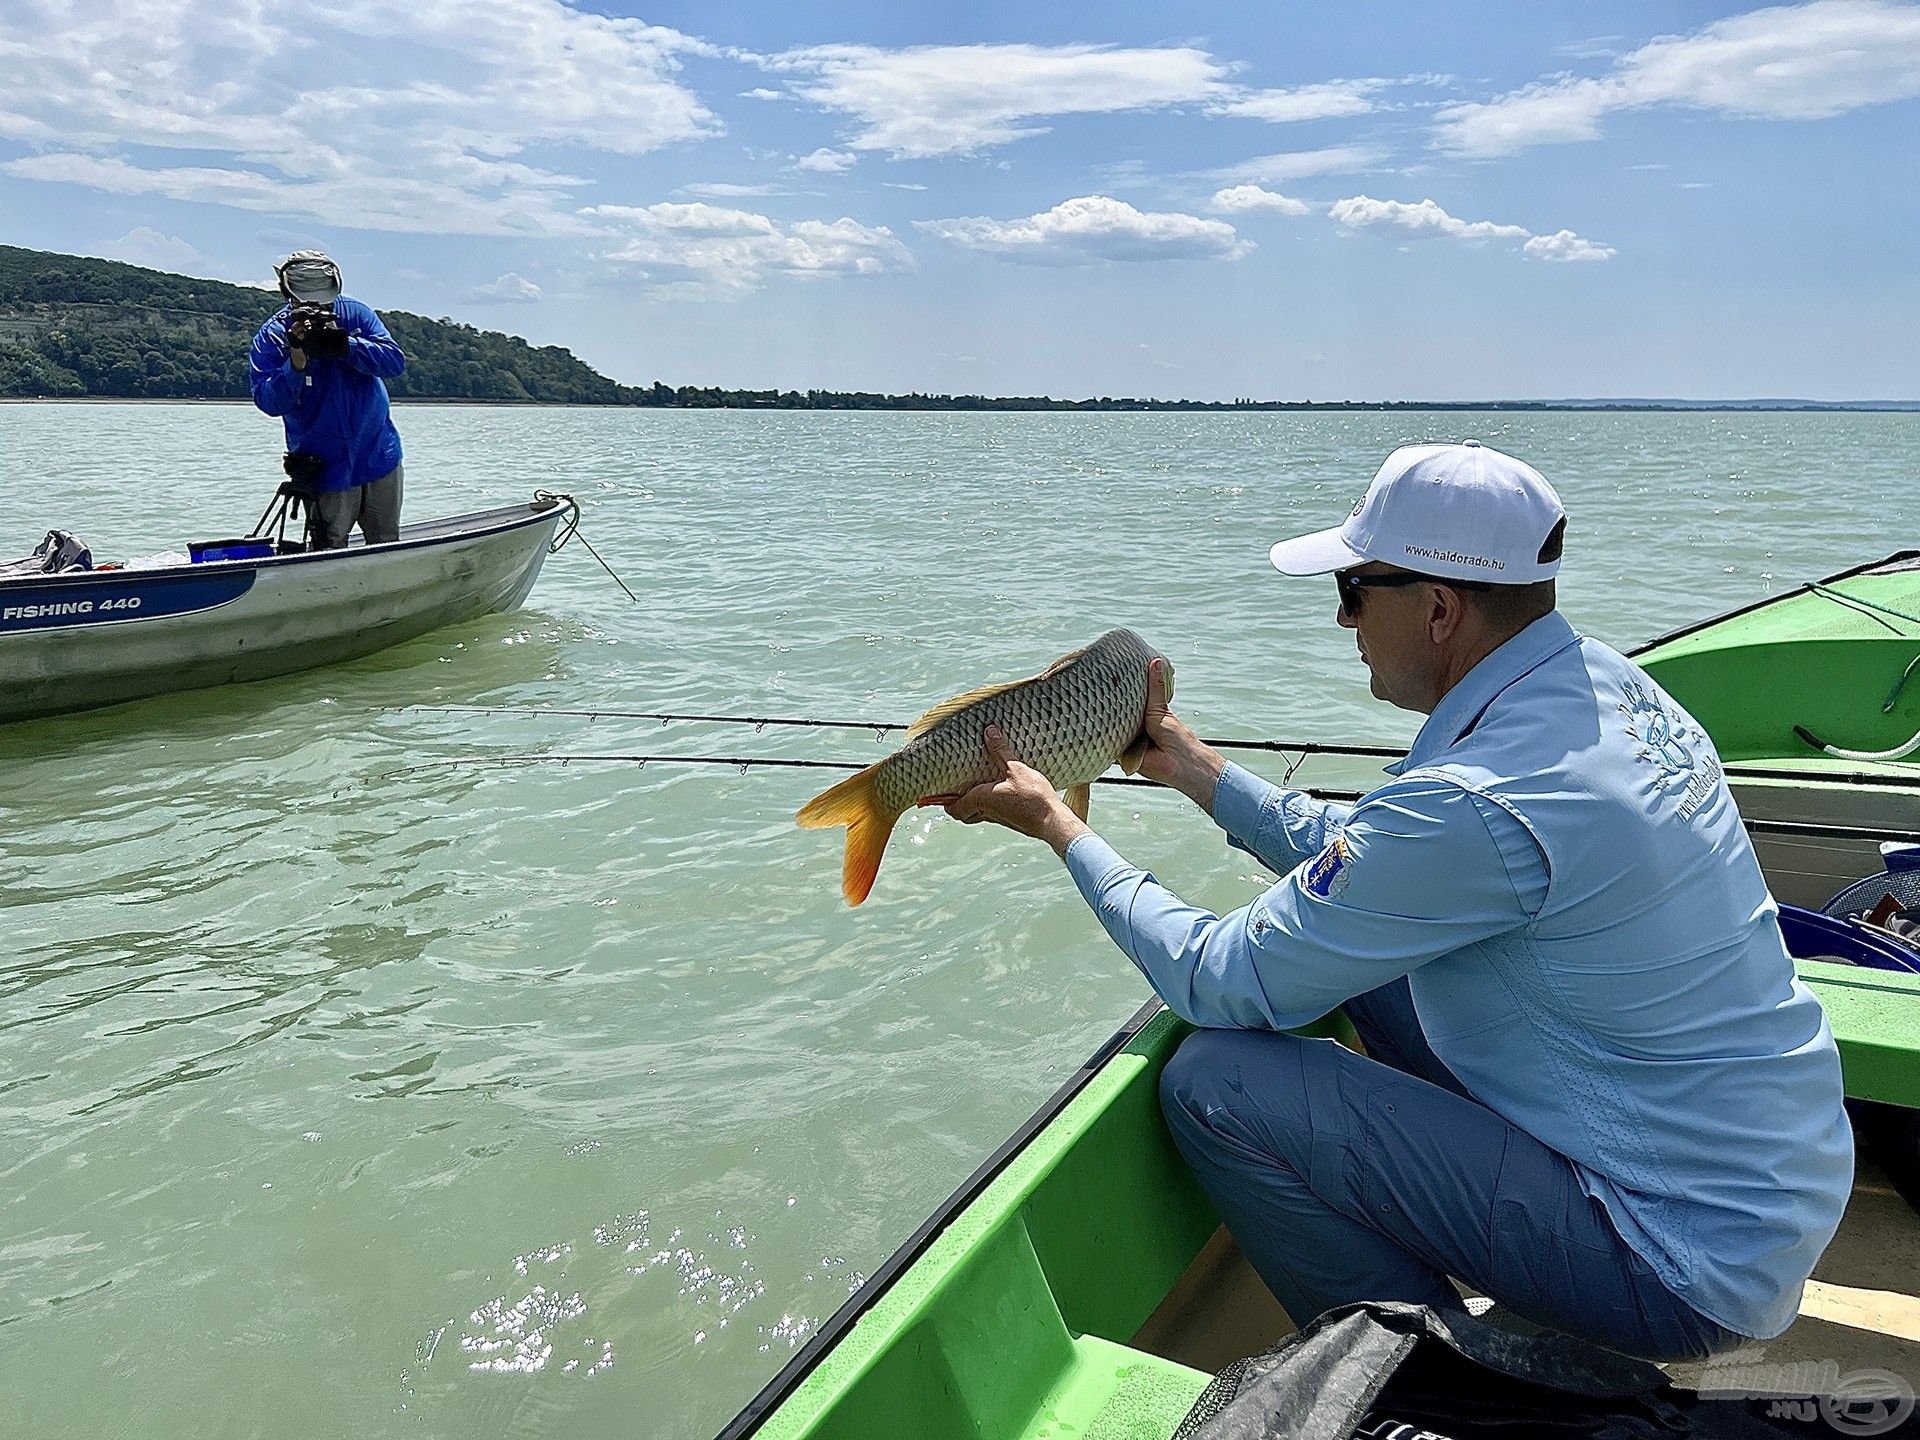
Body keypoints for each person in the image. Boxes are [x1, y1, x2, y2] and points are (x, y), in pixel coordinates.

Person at [942, 440, 1852, 1362]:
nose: (1343, 620)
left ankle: (1427, 1383)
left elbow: (1220, 978)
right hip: (1770, 1183)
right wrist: (1194, 768)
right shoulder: (1604, 688)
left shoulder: (1478, 798)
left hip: (1677, 1262)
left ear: (1441, 609)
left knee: (1215, 1084)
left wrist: (1062, 826)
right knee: (1363, 974)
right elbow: (1388, 861)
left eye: (1352, 592)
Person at [249, 251, 407, 550]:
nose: (316, 309)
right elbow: (269, 401)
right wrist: (295, 361)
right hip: (324, 465)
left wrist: (346, 344)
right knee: (329, 545)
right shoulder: (273, 335)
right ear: (288, 294)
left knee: (386, 543)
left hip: (378, 455)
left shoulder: (356, 314)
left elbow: (394, 362)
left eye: (323, 302)